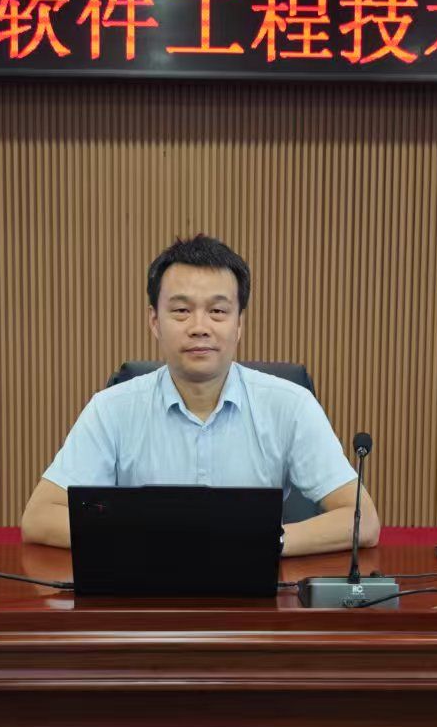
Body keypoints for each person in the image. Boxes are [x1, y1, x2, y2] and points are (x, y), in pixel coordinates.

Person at [20, 234, 381, 556]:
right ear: (154, 321)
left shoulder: (290, 406)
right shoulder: (112, 409)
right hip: (144, 595)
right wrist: (152, 538)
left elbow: (362, 520)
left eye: (217, 311)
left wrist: (264, 541)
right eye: (181, 311)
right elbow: (39, 517)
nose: (199, 327)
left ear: (239, 324)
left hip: (254, 595)